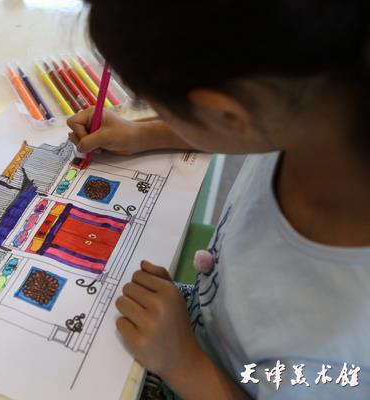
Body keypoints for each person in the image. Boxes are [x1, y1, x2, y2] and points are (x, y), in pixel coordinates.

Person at [67, 1, 370, 399]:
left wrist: (184, 363)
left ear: (224, 114)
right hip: (199, 318)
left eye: (161, 109)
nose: (157, 116)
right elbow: (252, 130)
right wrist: (143, 134)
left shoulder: (343, 350)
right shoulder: (325, 113)